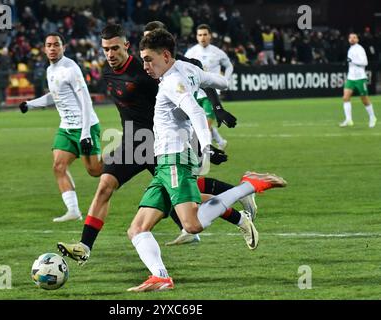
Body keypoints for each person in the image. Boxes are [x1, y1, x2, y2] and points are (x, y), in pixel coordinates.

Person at [56, 24, 256, 266]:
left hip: (160, 142)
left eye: (115, 48)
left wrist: (216, 107)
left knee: (185, 198)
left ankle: (240, 201)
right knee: (105, 185)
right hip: (132, 143)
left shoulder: (147, 67)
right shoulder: (107, 73)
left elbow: (191, 71)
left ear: (126, 46)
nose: (110, 54)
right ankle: (84, 246)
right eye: (106, 49)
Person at [126, 29, 286, 292]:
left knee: (191, 224)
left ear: (165, 55)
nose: (145, 65)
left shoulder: (171, 81)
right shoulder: (188, 69)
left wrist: (207, 146)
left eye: (148, 59)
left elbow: (196, 111)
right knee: (137, 229)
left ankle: (249, 185)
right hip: (166, 163)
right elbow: (220, 82)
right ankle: (161, 276)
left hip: (175, 159)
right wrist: (219, 103)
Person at [18, 32, 103, 222]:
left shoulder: (70, 68)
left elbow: (86, 100)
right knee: (58, 166)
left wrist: (86, 133)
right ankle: (73, 211)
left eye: (56, 45)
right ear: (44, 48)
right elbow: (54, 95)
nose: (52, 48)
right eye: (49, 45)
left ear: (63, 47)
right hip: (66, 128)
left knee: (95, 171)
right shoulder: (51, 70)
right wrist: (30, 104)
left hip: (84, 127)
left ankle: (123, 159)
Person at [185, 24, 233, 150]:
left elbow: (229, 66)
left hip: (211, 94)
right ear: (196, 36)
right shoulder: (191, 52)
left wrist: (225, 80)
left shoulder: (217, 52)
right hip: (196, 93)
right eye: (200, 35)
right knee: (198, 122)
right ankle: (220, 142)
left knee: (205, 124)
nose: (202, 37)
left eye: (205, 34)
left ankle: (206, 149)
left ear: (210, 36)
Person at [339, 33, 377, 128]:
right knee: (345, 97)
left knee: (364, 99)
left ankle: (372, 117)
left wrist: (352, 61)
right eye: (350, 37)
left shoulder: (360, 49)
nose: (352, 39)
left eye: (354, 37)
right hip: (351, 77)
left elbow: (365, 62)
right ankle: (348, 120)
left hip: (360, 78)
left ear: (357, 40)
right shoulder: (350, 49)